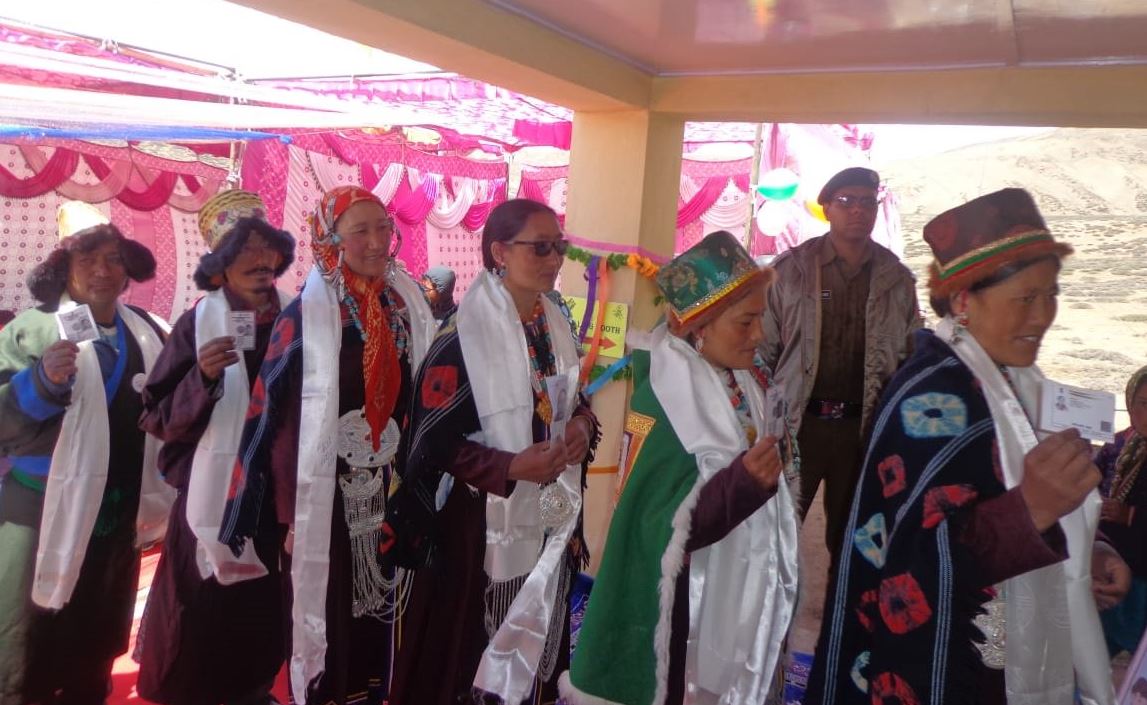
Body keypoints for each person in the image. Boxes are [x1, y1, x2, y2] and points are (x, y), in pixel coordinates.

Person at [807, 188, 1130, 705]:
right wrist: (1030, 511)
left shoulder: (1018, 384)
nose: (1042, 316)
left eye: (1051, 295)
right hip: (948, 666)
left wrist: (1089, 548)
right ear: (962, 300)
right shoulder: (930, 400)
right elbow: (912, 562)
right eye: (1025, 298)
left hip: (1003, 648)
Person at [217, 186, 436, 705]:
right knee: (332, 604)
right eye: (360, 230)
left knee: (387, 603)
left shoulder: (405, 307)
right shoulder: (305, 317)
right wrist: (282, 512)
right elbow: (269, 415)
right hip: (324, 493)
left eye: (384, 227)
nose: (377, 240)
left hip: (393, 481)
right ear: (329, 240)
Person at [560, 231, 800, 705]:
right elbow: (658, 529)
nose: (761, 336)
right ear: (698, 326)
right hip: (688, 607)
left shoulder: (740, 378)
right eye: (747, 322)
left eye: (761, 319)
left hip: (734, 590)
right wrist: (747, 482)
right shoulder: (667, 397)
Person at [385, 198, 599, 705]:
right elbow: (431, 439)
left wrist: (583, 428)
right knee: (467, 647)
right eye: (540, 247)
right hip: (477, 528)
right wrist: (507, 466)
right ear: (499, 251)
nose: (554, 259)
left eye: (560, 246)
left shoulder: (554, 323)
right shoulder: (462, 334)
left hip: (552, 509)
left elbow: (575, 398)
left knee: (544, 624)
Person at [0, 202, 172, 705]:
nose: (102, 270)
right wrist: (42, 382)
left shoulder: (148, 330)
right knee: (26, 634)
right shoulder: (31, 330)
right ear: (64, 267)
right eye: (87, 258)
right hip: (38, 512)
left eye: (114, 258)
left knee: (96, 632)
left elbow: (167, 405)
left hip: (114, 515)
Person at [136, 190, 296, 705]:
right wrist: (201, 379)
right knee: (199, 609)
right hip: (211, 497)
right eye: (239, 252)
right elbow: (157, 416)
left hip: (274, 502)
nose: (256, 262)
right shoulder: (196, 325)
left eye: (263, 248)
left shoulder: (298, 321)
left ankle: (251, 689)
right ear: (218, 267)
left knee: (261, 608)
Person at [761, 167, 921, 558]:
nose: (858, 211)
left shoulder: (896, 280)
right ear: (827, 208)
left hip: (862, 431)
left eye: (868, 202)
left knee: (856, 542)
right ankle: (770, 617)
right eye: (846, 201)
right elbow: (761, 351)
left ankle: (841, 616)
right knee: (776, 531)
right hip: (800, 426)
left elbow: (911, 359)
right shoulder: (790, 271)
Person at [1096, 365, 1147, 657]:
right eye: (1144, 404)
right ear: (1129, 405)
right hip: (1111, 564)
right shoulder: (1119, 444)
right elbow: (1091, 479)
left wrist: (1128, 515)